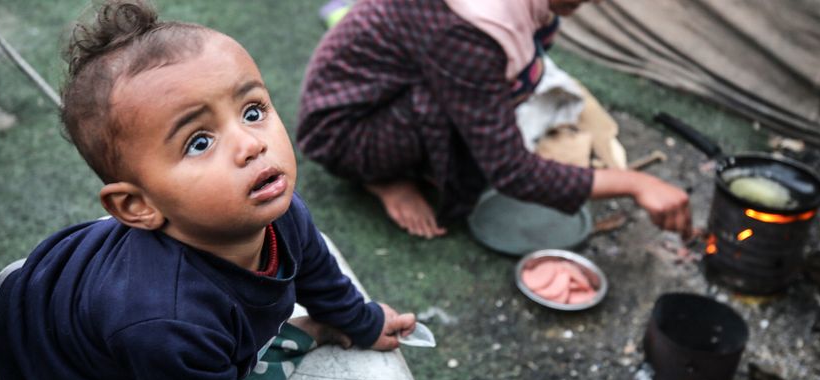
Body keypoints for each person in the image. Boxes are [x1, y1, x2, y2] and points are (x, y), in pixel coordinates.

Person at [0, 1, 416, 380]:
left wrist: (362, 322)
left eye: (253, 111)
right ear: (138, 207)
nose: (251, 144)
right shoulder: (166, 322)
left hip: (78, 304)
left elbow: (317, 273)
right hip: (33, 372)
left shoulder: (281, 213)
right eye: (199, 142)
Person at [296, 0, 692, 239]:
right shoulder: (468, 29)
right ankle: (380, 178)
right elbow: (513, 172)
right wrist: (637, 183)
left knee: (497, 87)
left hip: (394, 85)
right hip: (344, 132)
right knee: (477, 134)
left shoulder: (507, 14)